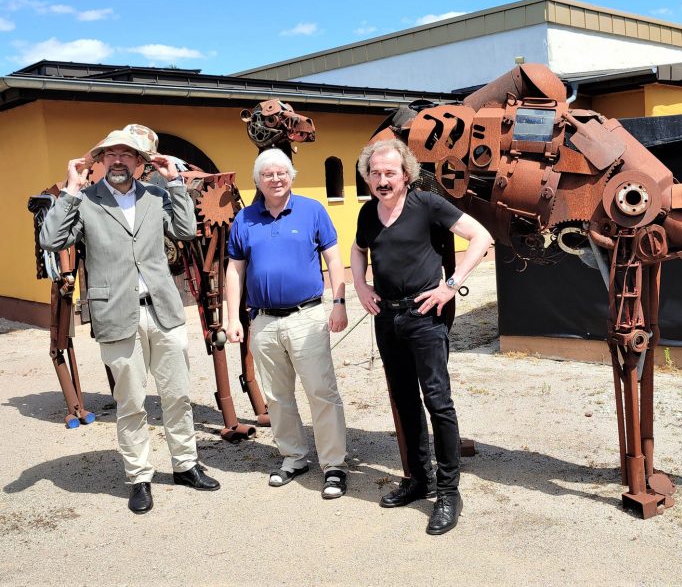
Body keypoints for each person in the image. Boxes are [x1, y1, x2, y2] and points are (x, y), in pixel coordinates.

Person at [39, 128, 220, 515]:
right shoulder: (85, 200)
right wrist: (71, 189)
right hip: (116, 312)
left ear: (141, 163)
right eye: (111, 154)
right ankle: (140, 476)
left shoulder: (156, 195)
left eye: (128, 154)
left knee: (176, 393)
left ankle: (186, 464)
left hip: (163, 309)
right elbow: (51, 240)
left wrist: (175, 182)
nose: (119, 160)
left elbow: (187, 231)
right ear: (101, 161)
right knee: (132, 400)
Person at [351, 138, 493, 535]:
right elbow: (358, 249)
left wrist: (451, 284)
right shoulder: (367, 213)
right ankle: (419, 479)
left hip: (424, 316)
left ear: (406, 174)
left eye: (389, 173)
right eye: (375, 173)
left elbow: (480, 238)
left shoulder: (426, 204)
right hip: (387, 318)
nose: (382, 180)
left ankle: (449, 492)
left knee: (438, 402)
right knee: (404, 401)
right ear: (367, 176)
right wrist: (360, 286)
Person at [224, 148, 349, 498]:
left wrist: (339, 303)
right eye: (268, 175)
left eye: (282, 173)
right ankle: (293, 457)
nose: (276, 179)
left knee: (321, 391)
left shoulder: (313, 210)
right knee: (277, 397)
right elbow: (235, 270)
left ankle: (334, 464)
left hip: (306, 316)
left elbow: (334, 259)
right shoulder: (245, 219)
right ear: (257, 181)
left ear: (291, 175)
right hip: (262, 321)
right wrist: (232, 317)